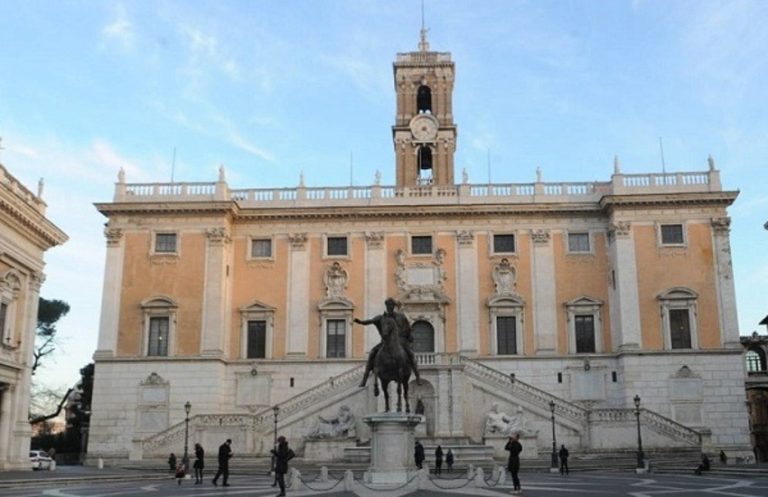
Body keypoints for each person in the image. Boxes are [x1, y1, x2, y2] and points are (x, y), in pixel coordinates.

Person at [355, 297, 421, 387]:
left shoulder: (401, 317)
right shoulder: (382, 318)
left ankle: (417, 376)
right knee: (372, 353)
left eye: (391, 305)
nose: (389, 307)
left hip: (401, 341)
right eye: (388, 306)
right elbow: (370, 321)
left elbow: (408, 328)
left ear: (393, 306)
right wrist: (361, 322)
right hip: (385, 342)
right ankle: (365, 378)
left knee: (411, 354)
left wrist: (409, 336)